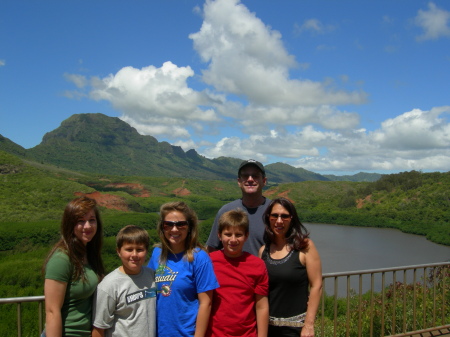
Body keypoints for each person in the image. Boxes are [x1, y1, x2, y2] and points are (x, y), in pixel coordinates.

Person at [148, 201, 219, 337]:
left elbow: (206, 303)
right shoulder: (157, 254)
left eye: (181, 224)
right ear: (162, 227)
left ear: (189, 227)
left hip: (186, 333)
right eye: (168, 224)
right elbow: (149, 290)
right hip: (157, 331)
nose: (174, 229)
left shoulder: (199, 258)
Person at [258, 198, 322, 337]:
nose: (279, 221)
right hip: (267, 328)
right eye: (275, 215)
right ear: (268, 218)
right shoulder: (263, 251)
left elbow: (316, 285)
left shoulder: (305, 247)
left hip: (296, 328)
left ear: (292, 218)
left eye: (284, 216)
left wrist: (309, 325)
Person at [42, 196, 105, 337]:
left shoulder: (88, 253)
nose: (87, 226)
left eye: (91, 220)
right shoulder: (62, 259)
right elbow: (52, 311)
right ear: (69, 224)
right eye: (80, 221)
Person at [206, 209, 269, 337]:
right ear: (219, 235)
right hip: (214, 333)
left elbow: (261, 306)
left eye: (238, 235)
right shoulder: (209, 262)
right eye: (228, 234)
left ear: (246, 236)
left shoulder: (257, 265)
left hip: (246, 334)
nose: (233, 240)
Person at [92, 225, 156, 337]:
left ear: (146, 251)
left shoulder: (151, 276)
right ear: (118, 251)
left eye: (140, 249)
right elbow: (99, 329)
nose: (134, 255)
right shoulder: (109, 285)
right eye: (129, 249)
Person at [206, 159, 270, 256]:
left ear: (264, 181)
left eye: (255, 176)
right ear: (239, 181)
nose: (250, 179)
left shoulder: (275, 212)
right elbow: (212, 248)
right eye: (245, 176)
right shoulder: (226, 211)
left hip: (265, 270)